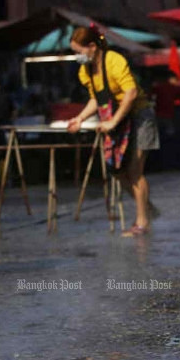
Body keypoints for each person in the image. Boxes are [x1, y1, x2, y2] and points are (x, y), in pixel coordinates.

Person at [66, 25, 159, 236]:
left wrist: (113, 122)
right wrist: (79, 119)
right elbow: (95, 99)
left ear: (91, 47)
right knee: (117, 171)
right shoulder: (85, 70)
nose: (76, 57)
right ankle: (146, 207)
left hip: (139, 117)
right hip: (117, 121)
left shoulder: (114, 61)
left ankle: (142, 223)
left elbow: (131, 93)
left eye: (78, 52)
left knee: (135, 171)